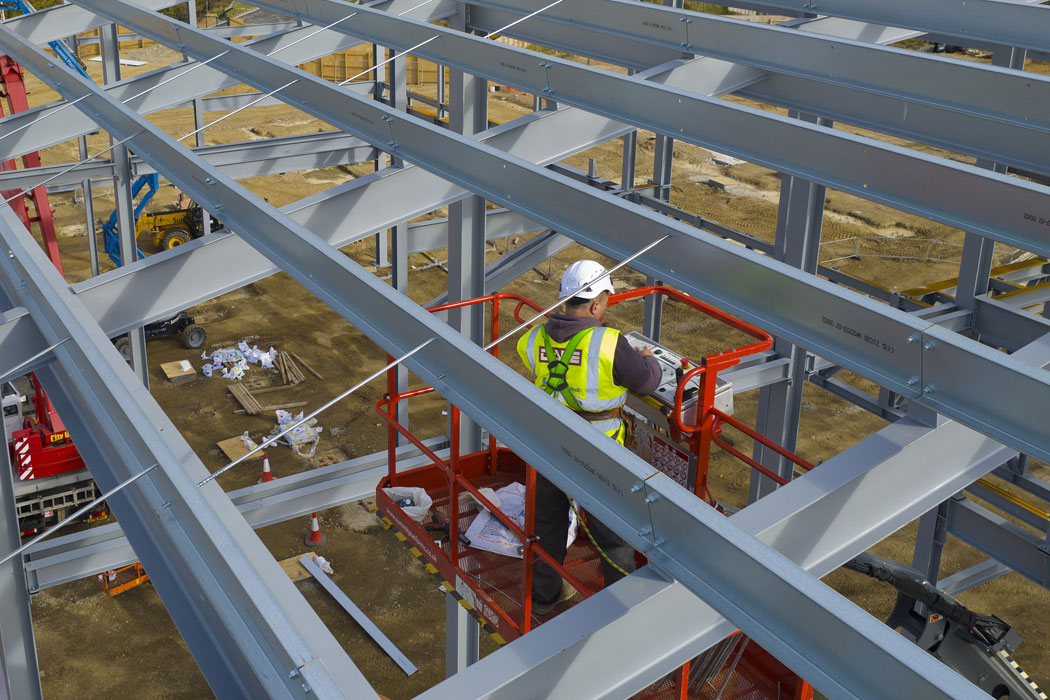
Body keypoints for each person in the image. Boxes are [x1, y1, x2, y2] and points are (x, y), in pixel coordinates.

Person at [517, 260, 662, 615]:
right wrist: (649, 359)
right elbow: (646, 382)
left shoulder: (533, 337)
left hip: (548, 446)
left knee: (547, 526)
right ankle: (618, 610)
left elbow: (540, 364)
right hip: (599, 455)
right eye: (606, 301)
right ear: (596, 304)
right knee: (612, 537)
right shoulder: (609, 342)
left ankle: (545, 597)